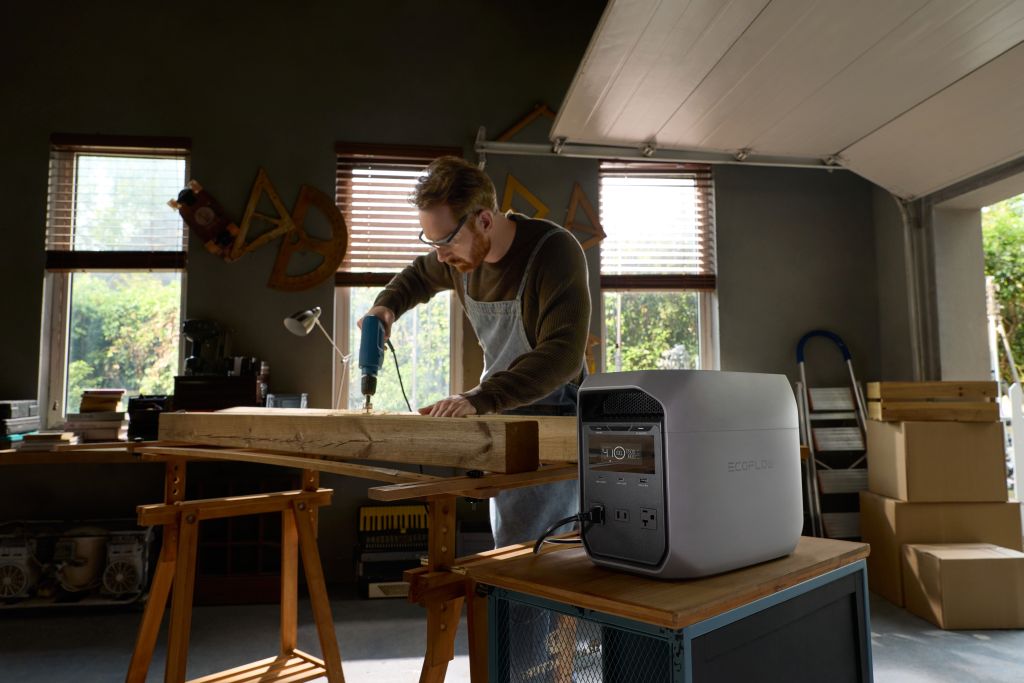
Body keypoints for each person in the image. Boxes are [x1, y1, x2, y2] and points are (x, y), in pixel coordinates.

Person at [361, 155, 591, 548]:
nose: (440, 255)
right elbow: (417, 275)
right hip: (499, 410)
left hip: (554, 411)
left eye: (446, 241)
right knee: (511, 548)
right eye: (431, 242)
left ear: (484, 220)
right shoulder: (459, 258)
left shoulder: (554, 252)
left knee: (541, 556)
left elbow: (563, 355)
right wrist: (386, 306)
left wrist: (480, 397)